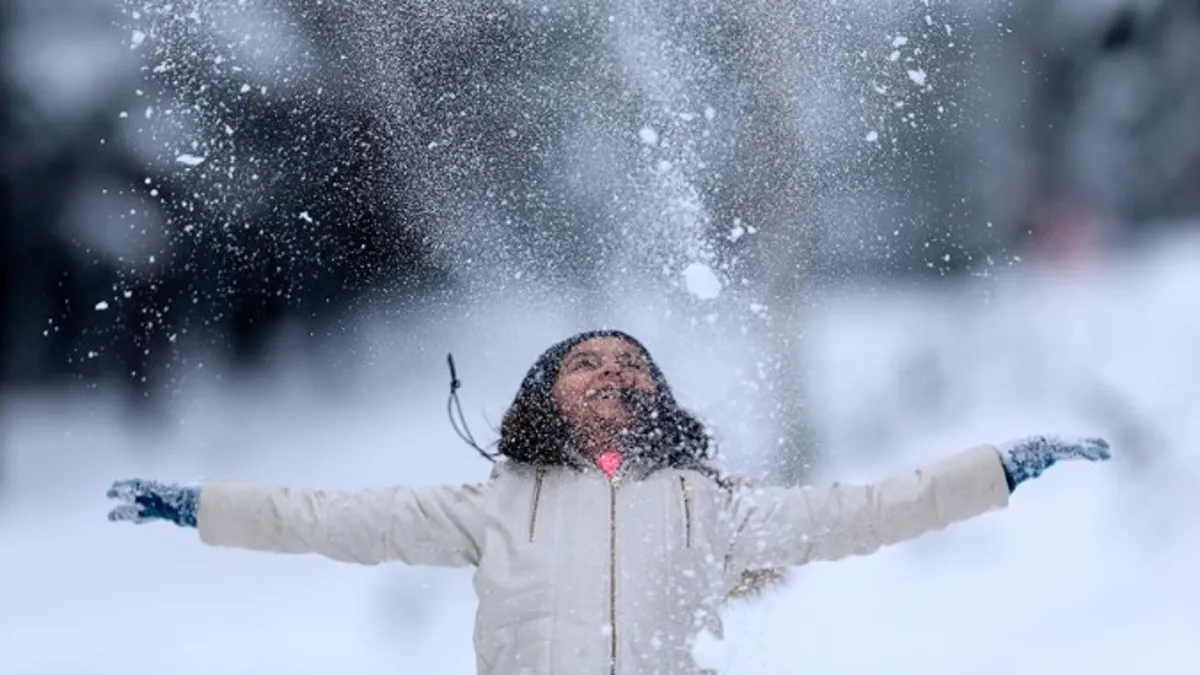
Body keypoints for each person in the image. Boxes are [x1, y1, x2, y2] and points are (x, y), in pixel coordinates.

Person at [107, 329, 1110, 675]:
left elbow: (867, 510)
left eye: (630, 364)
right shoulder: (493, 505)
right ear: (544, 394)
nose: (609, 373)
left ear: (657, 398)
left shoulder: (708, 508)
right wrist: (201, 505)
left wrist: (1000, 469)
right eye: (584, 362)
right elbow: (326, 517)